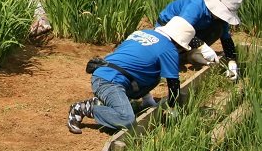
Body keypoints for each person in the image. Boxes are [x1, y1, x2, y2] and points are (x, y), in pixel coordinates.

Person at [67, 16, 196, 134]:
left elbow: (133, 62)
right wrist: (173, 111)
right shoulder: (169, 49)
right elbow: (174, 86)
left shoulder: (145, 32)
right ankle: (85, 108)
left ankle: (135, 102)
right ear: (179, 43)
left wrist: (149, 101)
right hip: (109, 81)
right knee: (127, 120)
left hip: (107, 72)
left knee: (155, 74)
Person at [156, 0, 242, 79]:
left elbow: (226, 38)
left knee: (218, 28)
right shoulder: (195, 6)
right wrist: (202, 46)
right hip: (168, 31)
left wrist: (231, 61)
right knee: (171, 53)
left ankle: (188, 53)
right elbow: (181, 31)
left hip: (191, 31)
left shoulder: (219, 19)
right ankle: (179, 54)